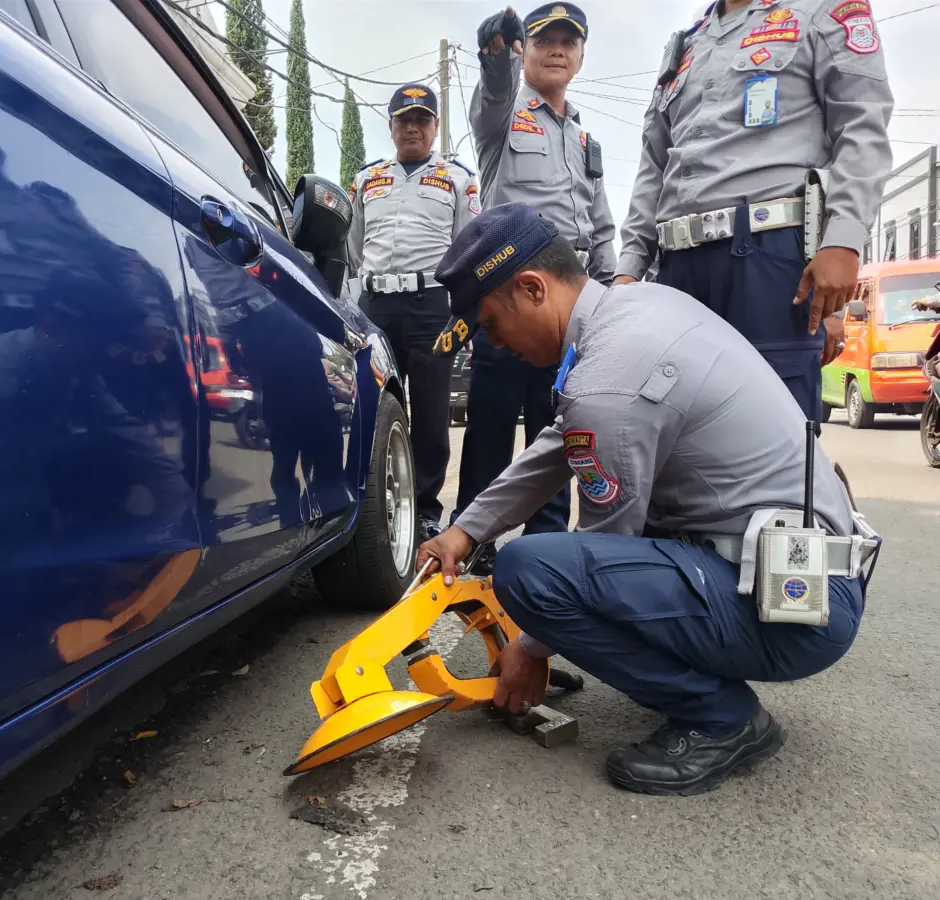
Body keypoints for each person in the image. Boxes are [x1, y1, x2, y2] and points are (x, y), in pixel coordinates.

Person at [419, 202, 879, 796]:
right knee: (558, 568)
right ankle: (705, 676)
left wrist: (532, 647)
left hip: (795, 604)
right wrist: (467, 530)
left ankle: (722, 719)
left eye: (490, 323)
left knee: (531, 573)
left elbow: (607, 541)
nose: (497, 344)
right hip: (800, 572)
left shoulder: (609, 376)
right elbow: (562, 442)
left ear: (532, 288)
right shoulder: (635, 312)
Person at [613, 0, 895, 425]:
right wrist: (629, 268)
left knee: (770, 441)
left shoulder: (822, 10)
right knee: (672, 442)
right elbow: (654, 164)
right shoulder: (688, 43)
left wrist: (843, 237)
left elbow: (861, 127)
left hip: (767, 260)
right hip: (674, 273)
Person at [448, 2, 616, 571]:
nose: (557, 49)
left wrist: (613, 286)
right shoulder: (502, 119)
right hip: (510, 298)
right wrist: (495, 59)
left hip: (568, 307)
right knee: (492, 422)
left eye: (569, 41)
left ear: (582, 56)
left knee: (560, 425)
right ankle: (473, 541)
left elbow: (601, 224)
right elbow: (494, 92)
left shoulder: (586, 139)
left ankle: (543, 544)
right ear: (526, 50)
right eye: (544, 39)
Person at [346, 83, 481, 538]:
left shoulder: (458, 179)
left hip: (430, 306)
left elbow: (469, 249)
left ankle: (424, 509)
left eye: (422, 119)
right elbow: (352, 245)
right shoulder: (367, 179)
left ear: (435, 127)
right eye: (404, 120)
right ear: (391, 127)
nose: (412, 128)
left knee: (428, 411)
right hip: (375, 307)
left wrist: (465, 313)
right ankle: (371, 505)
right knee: (372, 404)